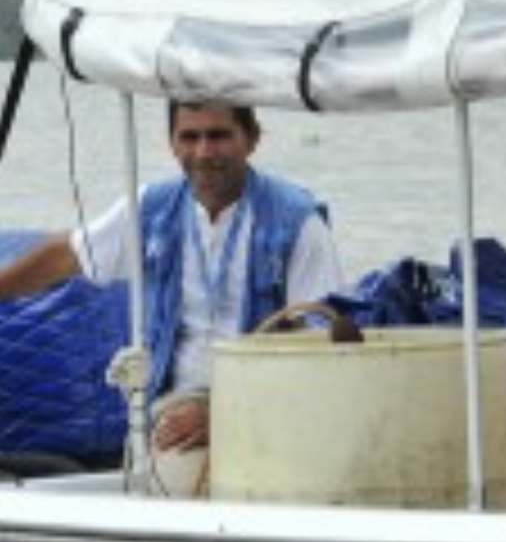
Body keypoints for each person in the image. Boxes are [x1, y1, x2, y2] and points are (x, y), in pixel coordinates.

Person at [0, 100, 343, 484]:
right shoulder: (152, 208)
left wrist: (226, 413)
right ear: (172, 144)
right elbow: (66, 256)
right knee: (177, 477)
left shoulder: (297, 221)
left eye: (218, 136)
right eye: (190, 137)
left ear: (252, 138)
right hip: (179, 401)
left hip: (272, 400)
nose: (203, 152)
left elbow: (323, 350)